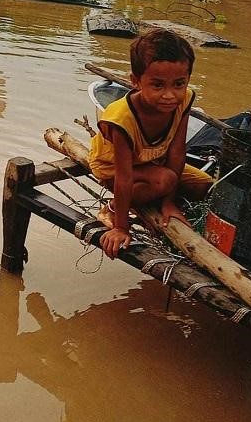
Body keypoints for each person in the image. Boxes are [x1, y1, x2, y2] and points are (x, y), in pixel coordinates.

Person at [89, 28, 213, 258]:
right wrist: (121, 227)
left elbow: (177, 150)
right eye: (157, 85)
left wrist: (169, 204)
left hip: (151, 159)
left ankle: (159, 197)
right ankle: (113, 207)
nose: (170, 95)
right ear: (136, 81)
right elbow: (124, 176)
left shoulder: (184, 100)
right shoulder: (121, 119)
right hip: (112, 167)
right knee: (165, 179)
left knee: (205, 185)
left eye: (179, 84)